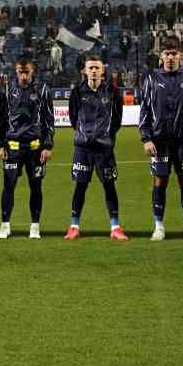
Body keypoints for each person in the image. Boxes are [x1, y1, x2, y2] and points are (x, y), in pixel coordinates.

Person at [138, 38, 183, 241]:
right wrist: (146, 138)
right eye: (167, 53)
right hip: (159, 142)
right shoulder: (151, 79)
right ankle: (159, 226)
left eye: (174, 53)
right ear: (161, 56)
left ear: (181, 56)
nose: (170, 57)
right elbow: (145, 111)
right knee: (160, 182)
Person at [67, 54, 126, 240]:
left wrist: (106, 137)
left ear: (102, 71)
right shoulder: (77, 91)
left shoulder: (113, 91)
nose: (93, 70)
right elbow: (73, 118)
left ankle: (115, 228)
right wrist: (85, 135)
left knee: (109, 186)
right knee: (80, 186)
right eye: (90, 67)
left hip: (104, 149)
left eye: (96, 68)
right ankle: (74, 226)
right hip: (83, 149)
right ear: (84, 71)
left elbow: (117, 120)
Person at [0, 54, 54, 240]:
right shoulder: (7, 89)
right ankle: (5, 225)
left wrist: (48, 145)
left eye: (26, 72)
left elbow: (49, 120)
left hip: (35, 148)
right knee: (8, 186)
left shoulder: (43, 90)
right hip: (12, 148)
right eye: (20, 72)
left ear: (32, 71)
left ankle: (35, 226)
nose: (23, 76)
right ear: (16, 71)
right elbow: (1, 119)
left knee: (35, 187)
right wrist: (0, 144)